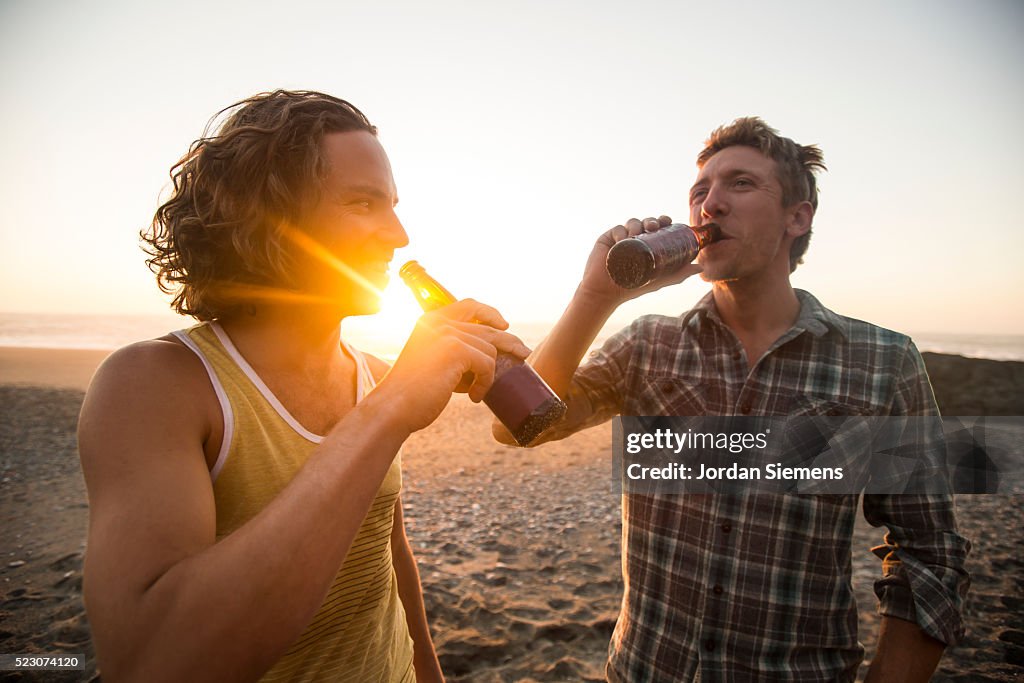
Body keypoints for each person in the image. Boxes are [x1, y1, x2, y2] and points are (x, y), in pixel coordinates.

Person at [78, 90, 529, 682]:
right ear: (267, 217)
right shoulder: (154, 386)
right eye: (363, 203)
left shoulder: (368, 371)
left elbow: (382, 552)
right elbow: (148, 664)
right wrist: (390, 408)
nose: (398, 235)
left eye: (392, 205)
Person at [497, 117, 971, 682]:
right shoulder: (648, 343)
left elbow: (928, 549)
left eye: (741, 184)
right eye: (700, 192)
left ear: (799, 216)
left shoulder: (882, 362)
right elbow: (521, 424)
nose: (710, 206)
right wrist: (595, 296)